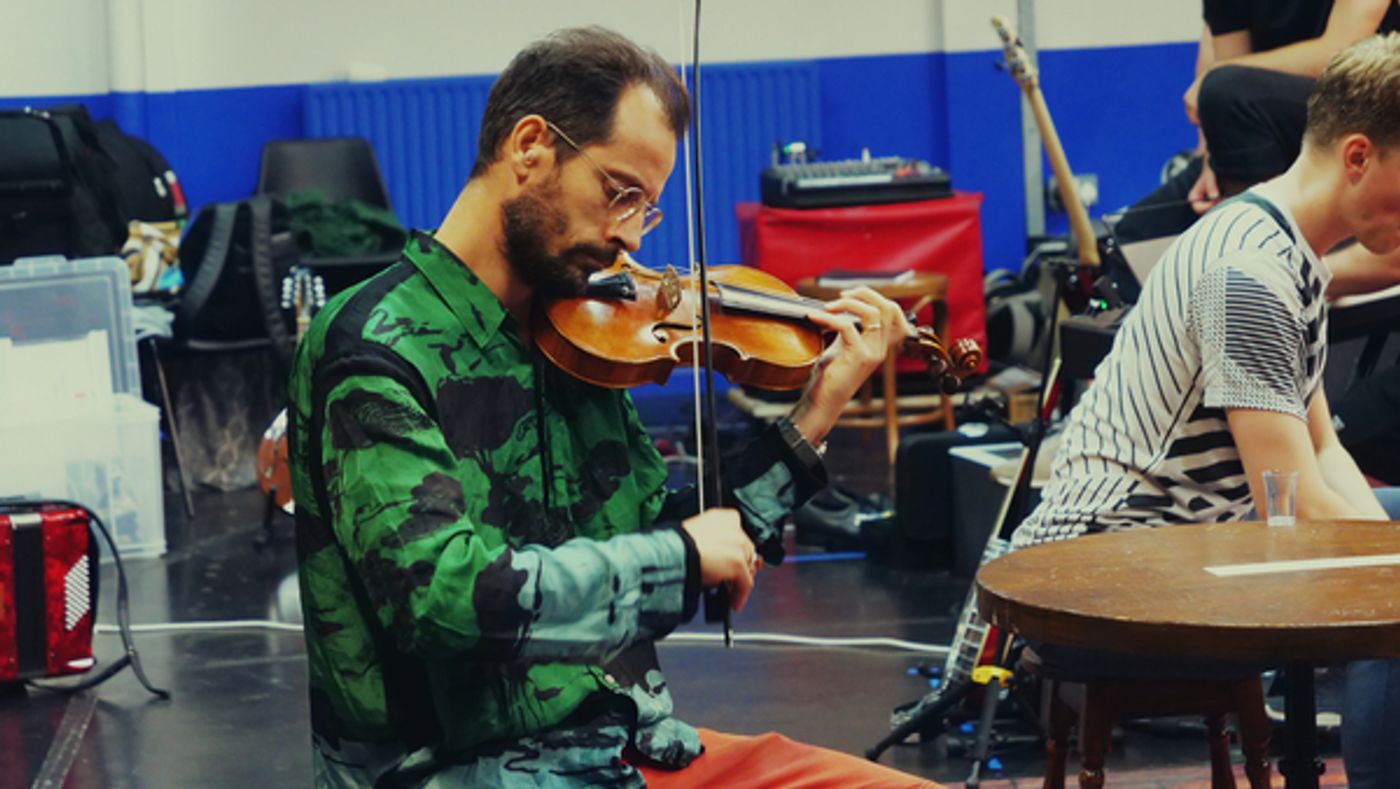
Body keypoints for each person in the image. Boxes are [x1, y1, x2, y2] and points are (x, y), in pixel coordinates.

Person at [287, 26, 937, 788]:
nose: (628, 238)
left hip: (622, 751)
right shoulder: (372, 346)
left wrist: (816, 411)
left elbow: (669, 545)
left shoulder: (573, 332)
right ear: (530, 146)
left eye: (646, 209)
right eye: (619, 192)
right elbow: (443, 599)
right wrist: (682, 557)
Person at [1012, 33, 1400, 789]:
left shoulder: (1289, 250)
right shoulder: (1251, 272)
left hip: (1183, 541)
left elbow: (1325, 451)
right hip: (1103, 567)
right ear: (1358, 155)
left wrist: (1386, 557)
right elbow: (1294, 505)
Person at [1113, 0, 1399, 244]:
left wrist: (1217, 75)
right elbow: (1225, 93)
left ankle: (1268, 250)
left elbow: (1338, 52)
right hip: (1265, 127)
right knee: (1134, 234)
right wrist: (1215, 156)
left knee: (1226, 89)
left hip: (1365, 113)